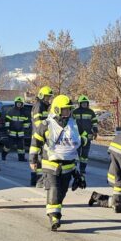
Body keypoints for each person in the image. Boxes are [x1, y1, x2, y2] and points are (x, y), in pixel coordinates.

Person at [29, 94, 81, 230]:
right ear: (57, 110)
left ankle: (56, 210)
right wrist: (33, 159)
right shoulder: (46, 124)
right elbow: (35, 142)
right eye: (65, 110)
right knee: (54, 189)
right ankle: (54, 216)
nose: (68, 112)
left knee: (62, 192)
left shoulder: (73, 124)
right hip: (51, 164)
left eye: (69, 110)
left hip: (68, 165)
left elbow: (77, 142)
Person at [29, 86, 55, 187]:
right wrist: (46, 132)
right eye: (46, 97)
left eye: (49, 97)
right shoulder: (39, 105)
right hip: (39, 134)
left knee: (39, 158)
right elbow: (38, 122)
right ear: (41, 96)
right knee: (38, 158)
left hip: (41, 134)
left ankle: (37, 180)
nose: (48, 99)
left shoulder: (44, 106)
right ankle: (38, 181)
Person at [72, 95, 99, 174]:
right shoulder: (75, 112)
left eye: (85, 103)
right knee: (75, 153)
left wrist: (95, 131)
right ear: (79, 103)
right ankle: (74, 168)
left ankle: (82, 169)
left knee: (85, 154)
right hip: (77, 136)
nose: (84, 104)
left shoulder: (91, 112)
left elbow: (94, 122)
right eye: (82, 103)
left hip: (87, 136)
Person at [5, 97, 31, 161]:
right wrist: (7, 129)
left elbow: (27, 121)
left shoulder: (24, 112)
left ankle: (21, 158)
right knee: (8, 146)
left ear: (22, 104)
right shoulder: (11, 111)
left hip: (20, 133)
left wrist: (25, 128)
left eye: (20, 103)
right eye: (18, 103)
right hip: (12, 132)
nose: (19, 104)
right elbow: (7, 121)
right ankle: (3, 155)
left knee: (21, 147)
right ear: (15, 103)